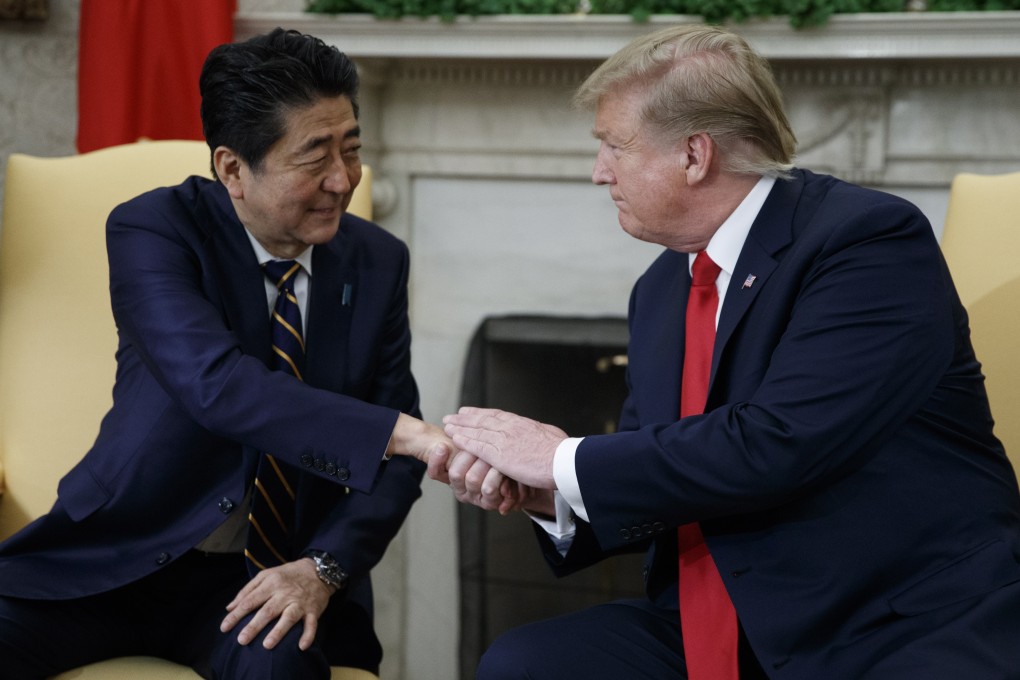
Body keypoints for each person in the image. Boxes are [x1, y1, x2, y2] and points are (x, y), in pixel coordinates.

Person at [433, 24, 1020, 680]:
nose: (599, 173)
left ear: (694, 155)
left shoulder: (866, 243)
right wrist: (546, 492)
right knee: (523, 664)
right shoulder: (661, 287)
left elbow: (777, 444)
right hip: (724, 617)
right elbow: (661, 471)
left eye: (613, 146)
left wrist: (559, 456)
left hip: (886, 621)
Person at [0, 28, 444, 679]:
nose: (343, 179)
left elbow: (393, 469)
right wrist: (403, 433)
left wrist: (324, 568)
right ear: (232, 168)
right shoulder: (155, 230)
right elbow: (216, 387)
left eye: (351, 149)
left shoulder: (375, 260)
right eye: (314, 156)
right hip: (116, 556)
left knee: (280, 672)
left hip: (266, 578)